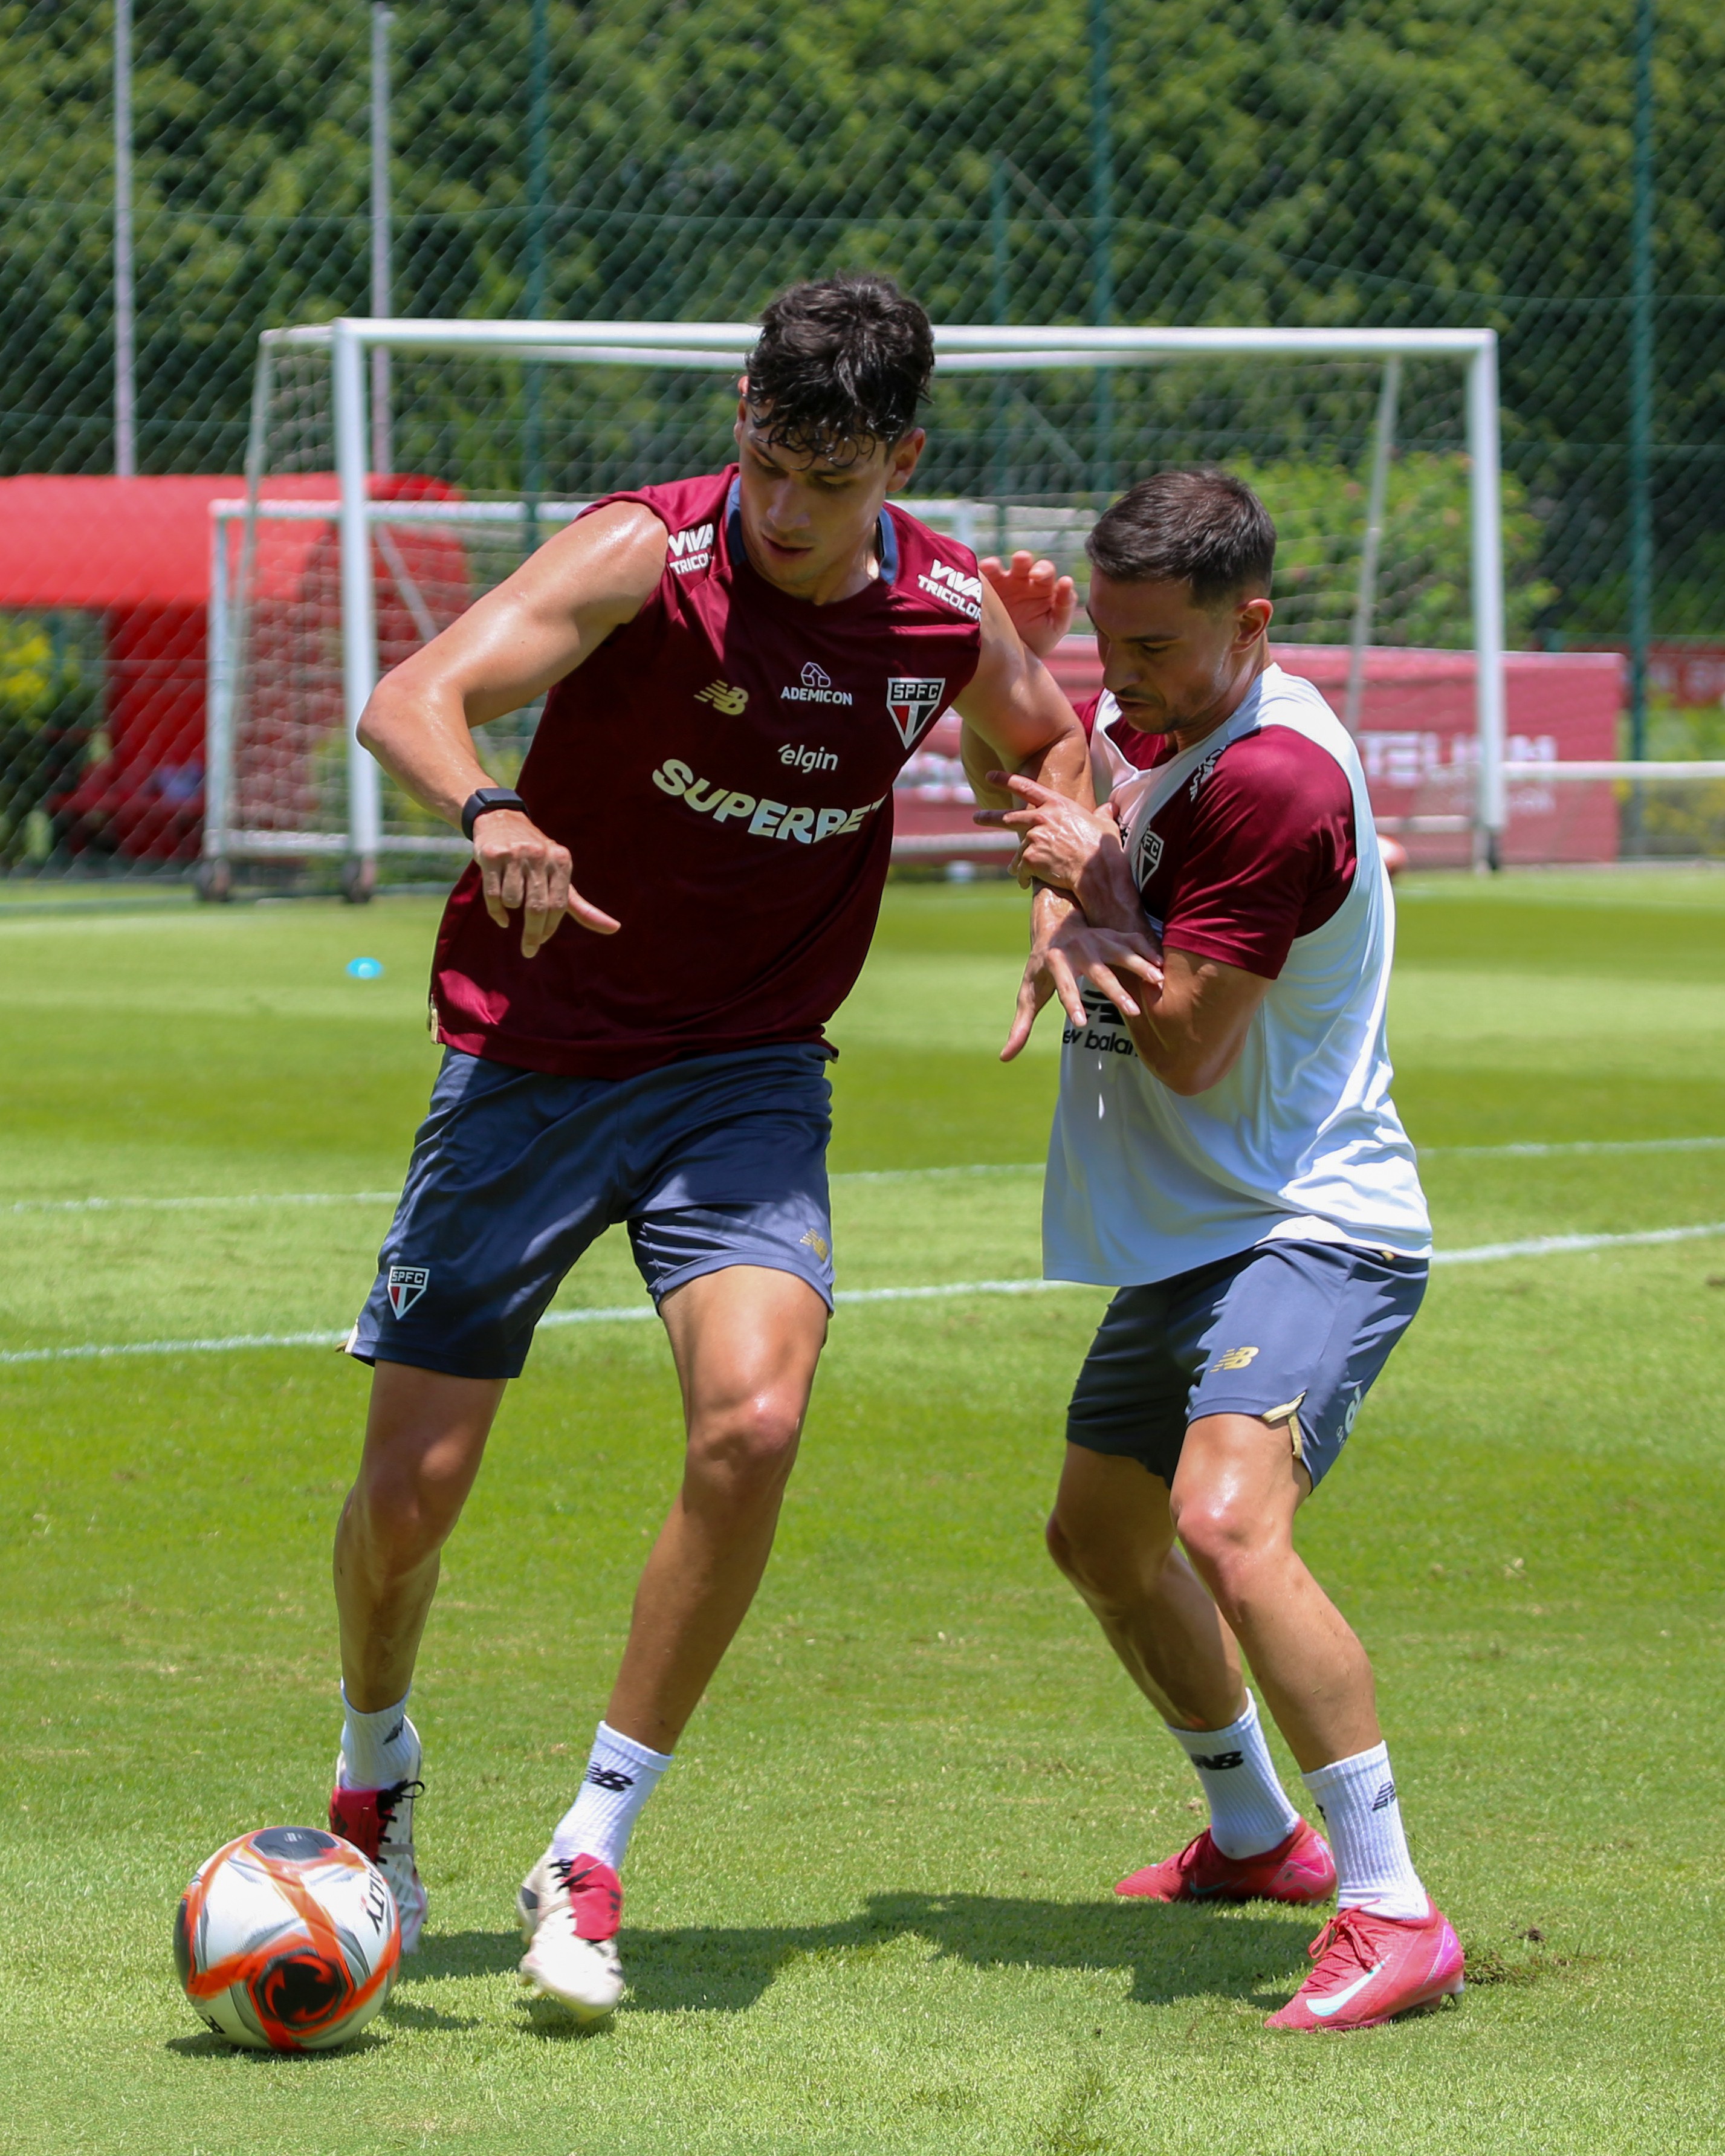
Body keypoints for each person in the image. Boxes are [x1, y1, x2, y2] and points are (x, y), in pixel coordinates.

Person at [325, 276, 1089, 2021]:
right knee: (412, 1497)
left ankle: (590, 1847)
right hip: (533, 1057)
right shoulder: (640, 558)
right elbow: (415, 698)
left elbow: (1043, 745)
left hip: (745, 1076)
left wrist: (1071, 866)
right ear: (739, 411)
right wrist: (493, 807)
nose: (789, 511)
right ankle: (376, 1769)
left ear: (901, 457)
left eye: (832, 480)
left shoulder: (945, 608)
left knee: (754, 1420)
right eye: (767, 460)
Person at [977, 470, 1463, 2033]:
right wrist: (1035, 679)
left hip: (1318, 1223)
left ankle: (1395, 1906)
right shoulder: (1169, 719)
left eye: (1157, 654)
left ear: (1252, 624)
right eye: (1110, 650)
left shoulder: (1278, 786)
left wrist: (1098, 896)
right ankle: (1260, 1838)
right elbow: (1060, 772)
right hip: (1207, 1228)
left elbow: (1186, 1046)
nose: (1126, 688)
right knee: (1101, 1539)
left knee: (1227, 1524)